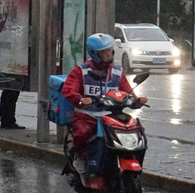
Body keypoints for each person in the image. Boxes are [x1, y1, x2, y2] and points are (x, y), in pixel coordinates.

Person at [62, 33, 148, 173]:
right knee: (83, 132)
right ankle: (79, 156)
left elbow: (128, 92)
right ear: (94, 54)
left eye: (109, 50)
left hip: (112, 116)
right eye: (104, 52)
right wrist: (80, 99)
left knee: (137, 130)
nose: (108, 54)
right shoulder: (81, 71)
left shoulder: (117, 72)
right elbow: (68, 90)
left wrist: (136, 101)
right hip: (88, 115)